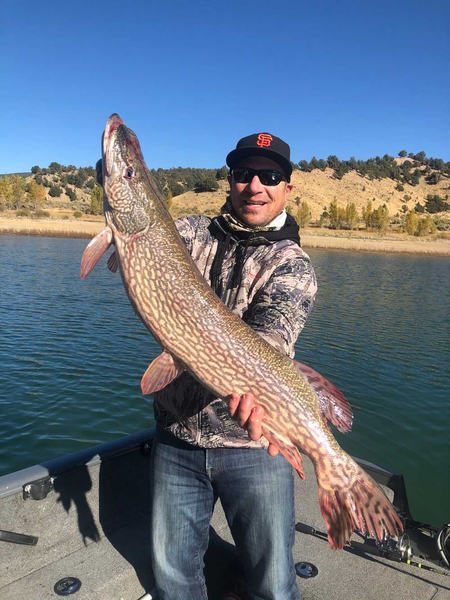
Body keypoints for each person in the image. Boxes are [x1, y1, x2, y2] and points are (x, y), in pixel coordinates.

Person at [148, 132, 318, 600]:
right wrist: (117, 183)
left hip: (254, 447)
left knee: (274, 582)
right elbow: (141, 233)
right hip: (176, 438)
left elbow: (273, 336)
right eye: (244, 174)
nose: (255, 185)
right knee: (173, 575)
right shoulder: (189, 233)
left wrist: (248, 386)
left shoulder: (292, 264)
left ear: (287, 187)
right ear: (230, 181)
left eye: (270, 176)